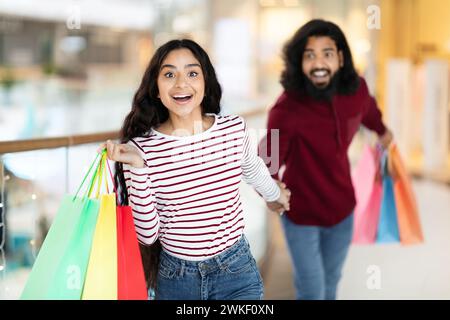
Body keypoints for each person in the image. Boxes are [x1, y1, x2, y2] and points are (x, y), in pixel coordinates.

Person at [101, 39, 291, 300]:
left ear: (205, 82)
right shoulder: (141, 149)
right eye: (169, 74)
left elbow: (252, 168)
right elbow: (147, 235)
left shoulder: (232, 128)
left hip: (236, 272)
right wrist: (139, 167)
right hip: (177, 279)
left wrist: (274, 196)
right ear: (156, 88)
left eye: (192, 73)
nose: (181, 83)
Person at [258, 19, 393, 300]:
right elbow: (267, 159)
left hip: (343, 210)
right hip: (301, 215)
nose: (319, 62)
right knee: (311, 290)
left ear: (341, 58)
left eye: (327, 53)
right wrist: (272, 191)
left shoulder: (356, 91)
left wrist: (382, 131)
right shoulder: (286, 108)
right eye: (310, 55)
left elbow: (368, 112)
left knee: (331, 283)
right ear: (300, 62)